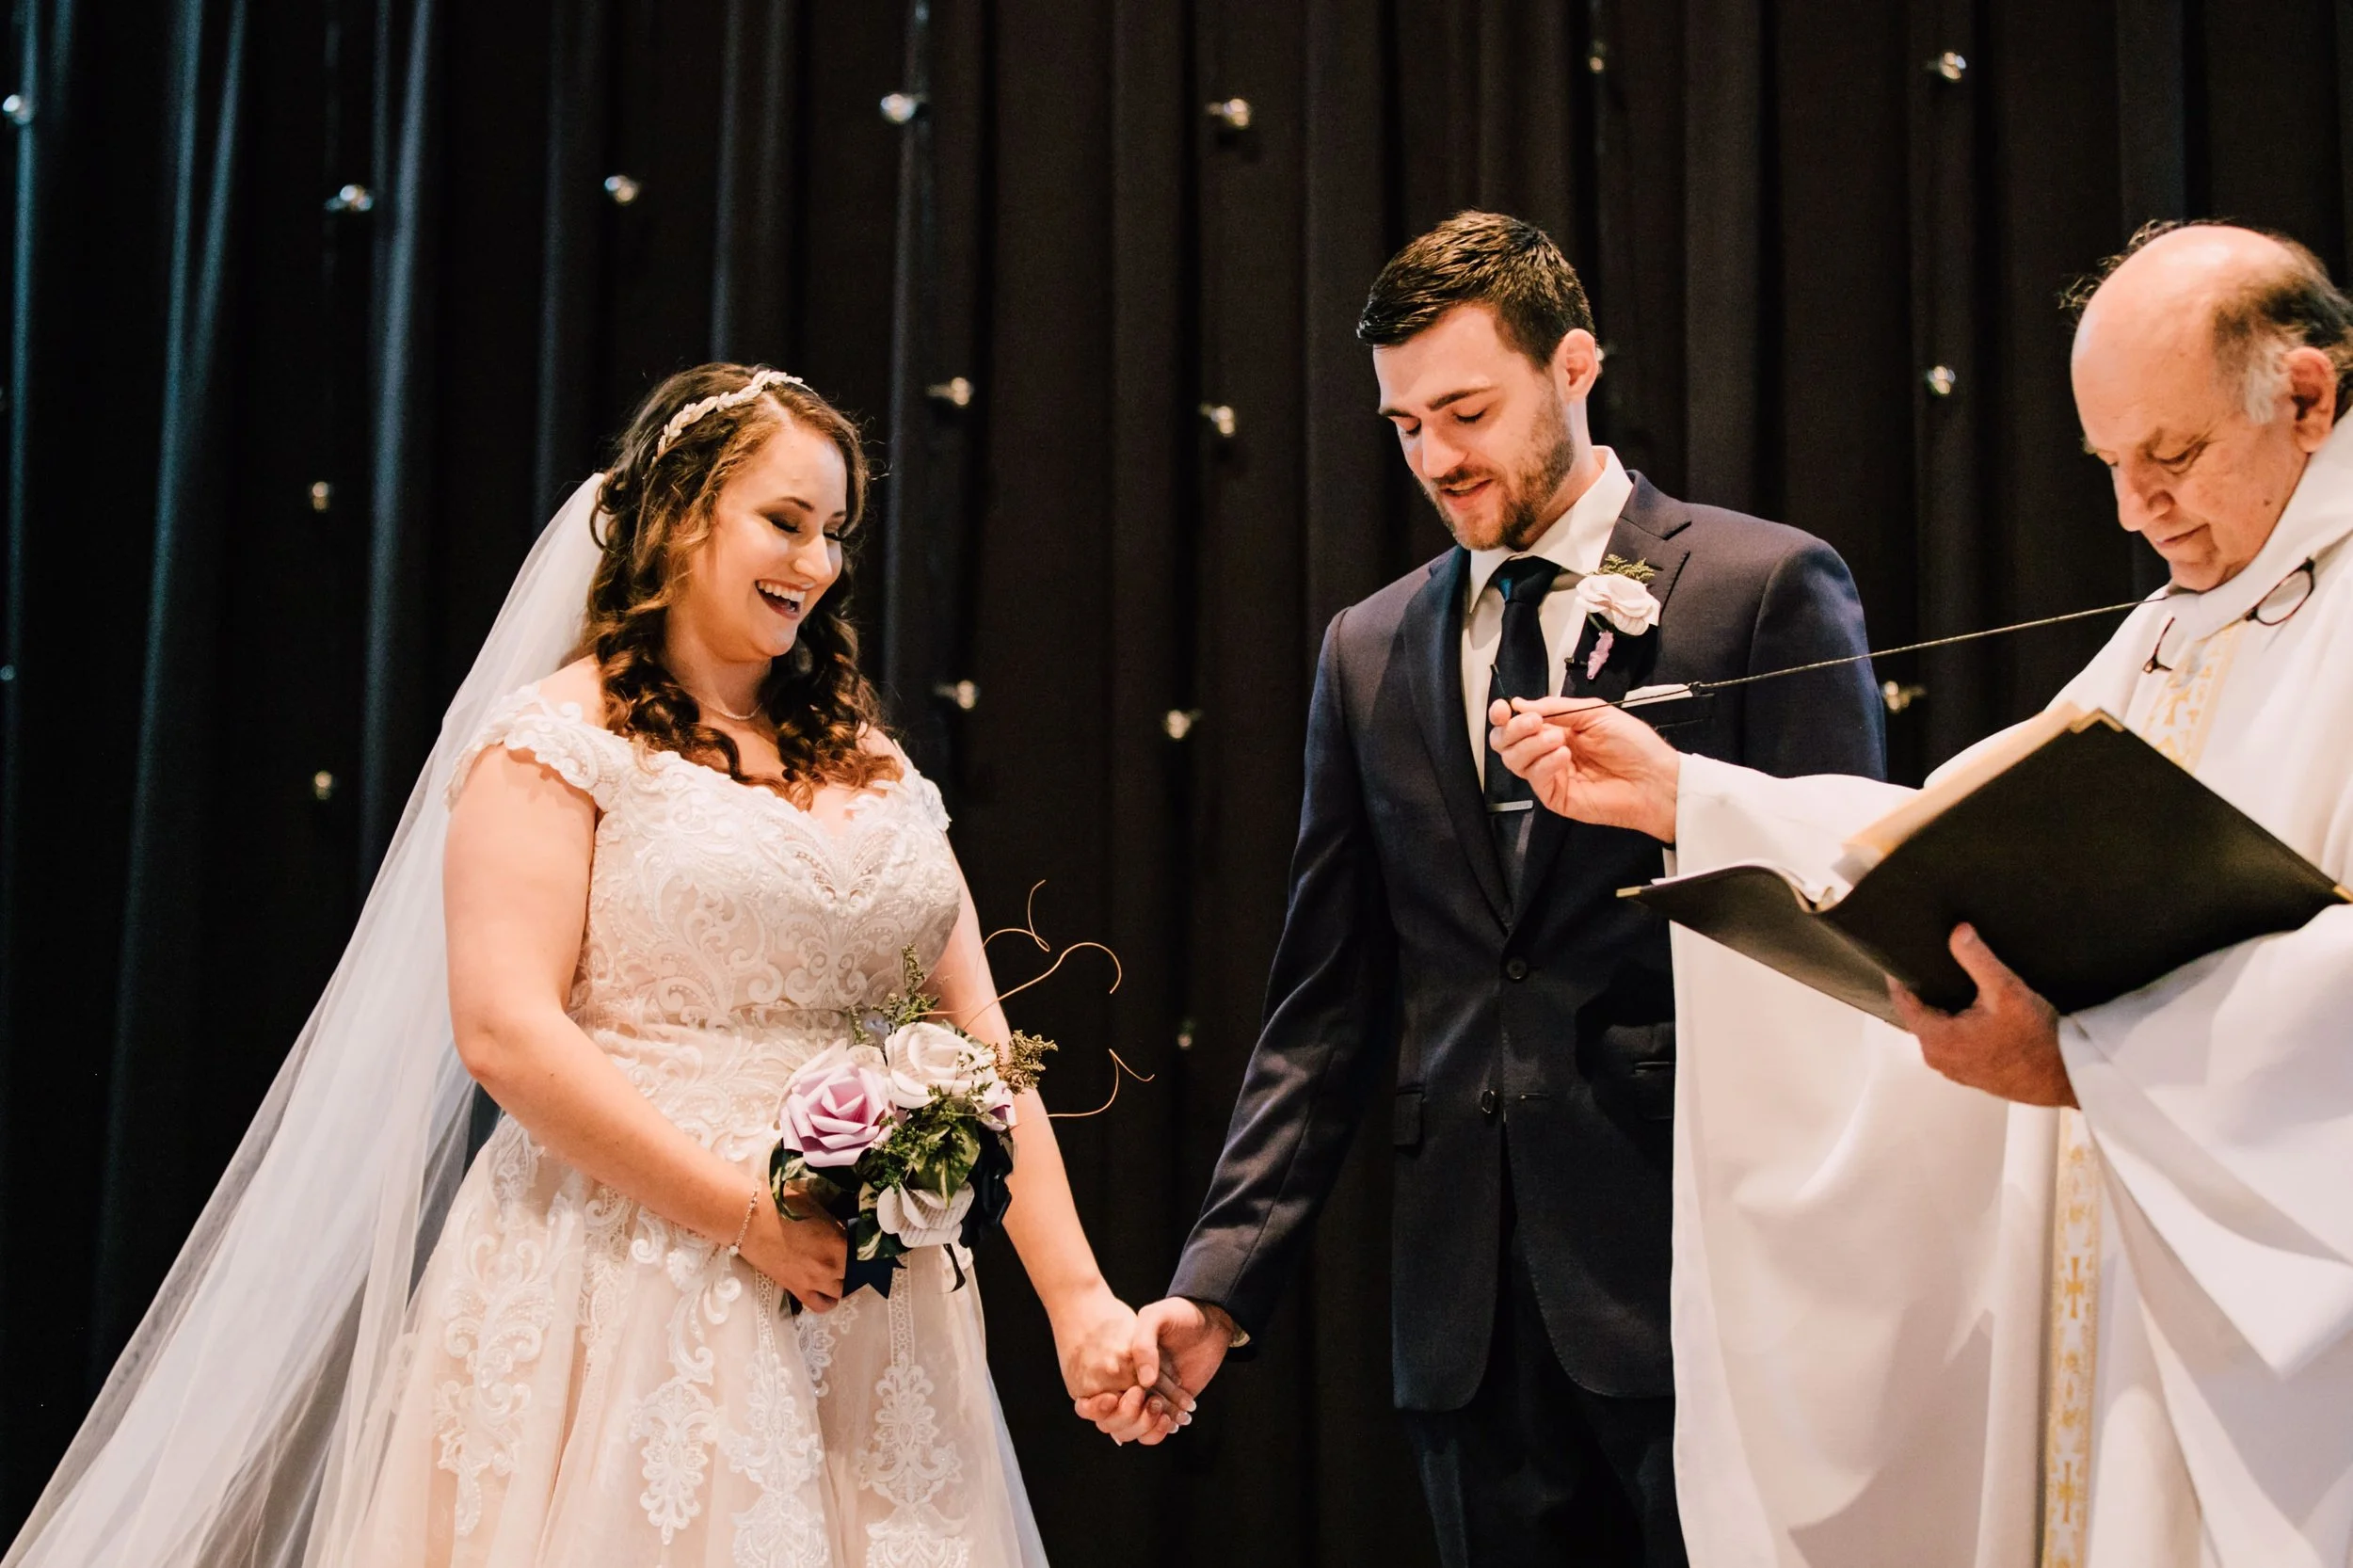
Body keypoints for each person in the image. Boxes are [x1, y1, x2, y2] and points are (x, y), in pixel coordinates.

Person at [6, 364, 1177, 1568]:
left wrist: (1077, 1301)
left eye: (835, 533)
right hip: (627, 1279)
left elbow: (979, 1041)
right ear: (678, 516)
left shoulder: (870, 759)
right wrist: (745, 1217)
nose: (819, 564)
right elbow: (504, 1030)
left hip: (869, 1306)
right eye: (785, 521)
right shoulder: (557, 743)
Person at [1491, 221, 2353, 1568]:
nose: (2137, 511)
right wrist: (1688, 798)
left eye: (2172, 457)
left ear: (2308, 394)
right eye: (2109, 468)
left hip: (2286, 1346)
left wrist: (2092, 1058)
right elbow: (1943, 838)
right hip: (2134, 1291)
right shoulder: (2178, 620)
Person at [1103, 212, 1886, 1567]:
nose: (1437, 458)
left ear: (1574, 364)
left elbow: (1846, 931)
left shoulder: (1761, 586)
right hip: (1465, 1323)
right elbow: (1325, 1004)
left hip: (1701, 1275)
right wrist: (1217, 1289)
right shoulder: (1368, 649)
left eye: (1465, 410)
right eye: (1405, 426)